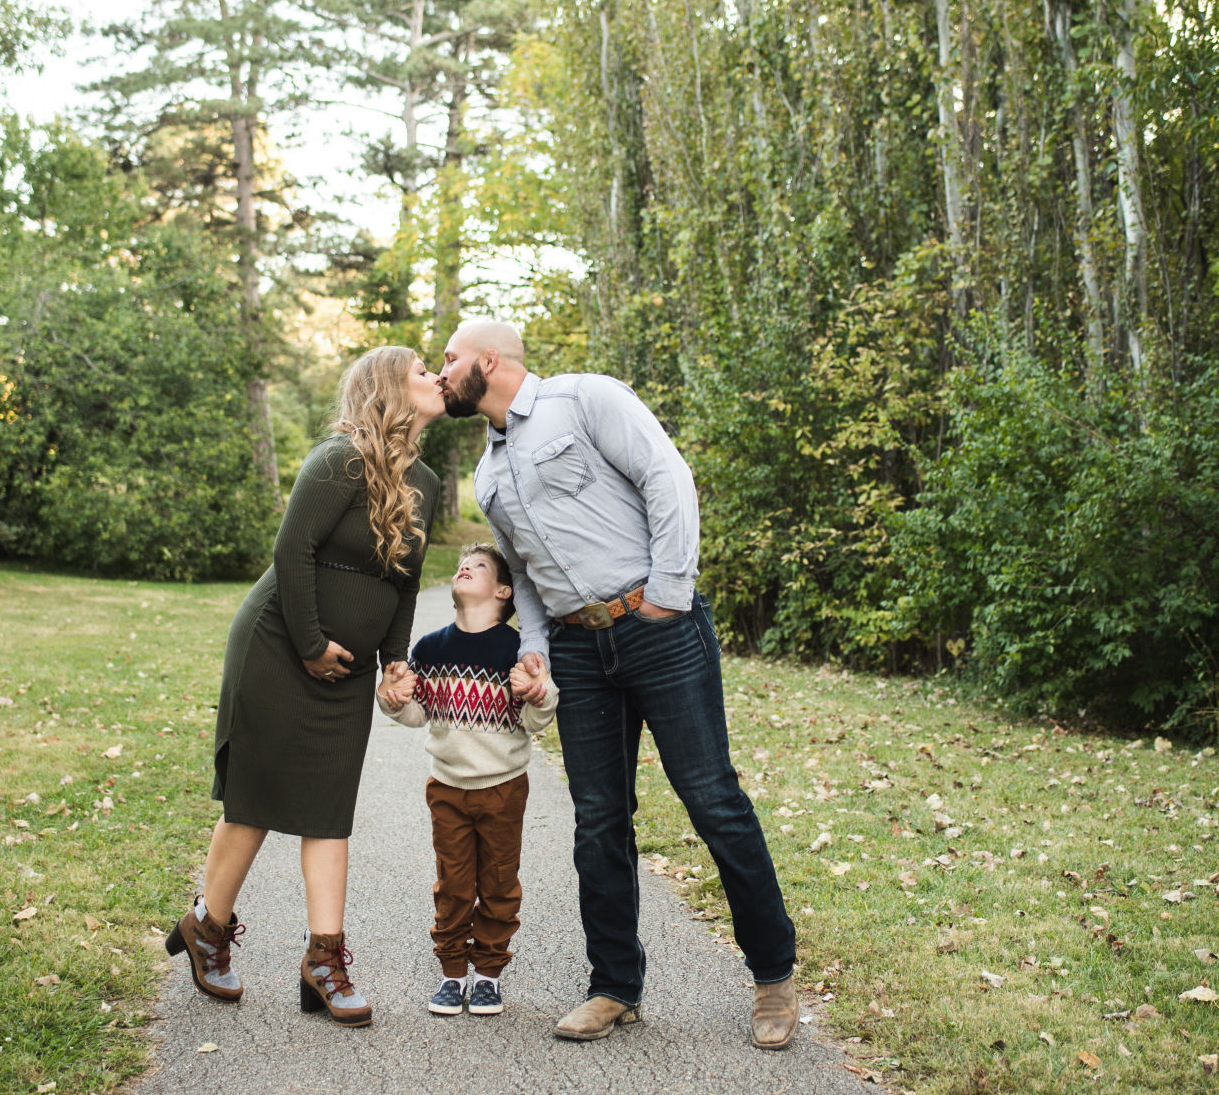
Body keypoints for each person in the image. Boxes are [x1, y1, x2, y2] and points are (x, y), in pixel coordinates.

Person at [436, 320, 800, 1049]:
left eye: (447, 359)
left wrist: (669, 589)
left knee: (712, 800)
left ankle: (773, 980)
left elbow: (667, 477)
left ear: (487, 360)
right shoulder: (488, 472)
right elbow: (528, 578)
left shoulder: (586, 399)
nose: (439, 372)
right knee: (599, 819)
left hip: (657, 627)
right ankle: (614, 987)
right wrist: (535, 648)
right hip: (575, 650)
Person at [165, 345, 444, 1028]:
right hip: (279, 647)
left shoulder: (428, 481)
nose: (436, 377)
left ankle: (323, 961)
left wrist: (395, 660)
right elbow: (291, 553)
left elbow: (404, 583)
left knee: (328, 807)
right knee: (253, 799)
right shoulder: (338, 461)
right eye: (421, 371)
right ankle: (209, 929)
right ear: (388, 389)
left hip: (344, 668)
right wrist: (313, 644)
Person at [375, 541, 558, 1018]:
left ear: (502, 590)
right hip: (448, 788)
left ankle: (488, 977)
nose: (465, 568)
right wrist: (392, 700)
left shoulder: (518, 649)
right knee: (453, 882)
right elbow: (418, 712)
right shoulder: (431, 648)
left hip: (503, 788)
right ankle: (453, 972)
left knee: (498, 881)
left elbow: (538, 719)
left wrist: (537, 694)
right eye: (462, 564)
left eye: (478, 566)